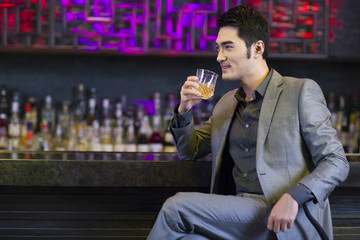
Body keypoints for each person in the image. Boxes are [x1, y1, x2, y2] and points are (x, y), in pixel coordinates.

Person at [147, 5, 349, 240]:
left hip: (283, 216)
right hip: (239, 216)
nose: (219, 56)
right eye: (218, 48)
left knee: (176, 206)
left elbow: (336, 161)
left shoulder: (300, 91)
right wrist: (183, 110)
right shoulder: (226, 103)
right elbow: (189, 151)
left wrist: (293, 197)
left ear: (257, 48)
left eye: (228, 47)